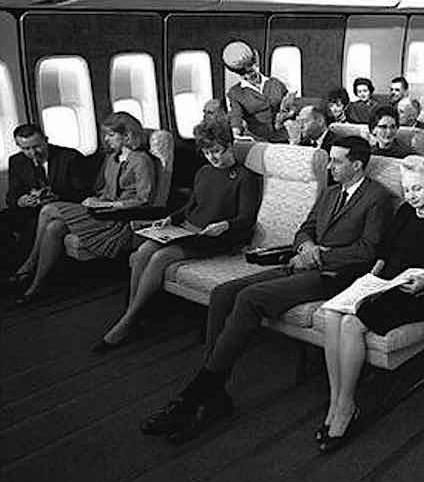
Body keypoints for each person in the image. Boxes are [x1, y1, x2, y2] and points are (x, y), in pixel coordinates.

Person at [139, 136, 393, 443]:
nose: (329, 166)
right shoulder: (329, 193)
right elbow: (305, 229)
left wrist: (319, 255)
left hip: (336, 275)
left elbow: (368, 250)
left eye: (337, 161)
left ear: (356, 165)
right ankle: (214, 394)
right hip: (304, 263)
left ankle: (195, 396)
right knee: (223, 293)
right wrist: (308, 245)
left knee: (249, 298)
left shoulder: (376, 197)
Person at [317, 156, 424, 452]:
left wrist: (423, 282)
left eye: (417, 189)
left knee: (351, 322)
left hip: (419, 292)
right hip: (385, 283)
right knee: (333, 314)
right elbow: (385, 253)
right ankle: (336, 401)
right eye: (406, 190)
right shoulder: (406, 213)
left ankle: (346, 405)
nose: (410, 196)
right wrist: (369, 279)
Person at [94, 119, 262, 350]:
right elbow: (192, 205)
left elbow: (246, 218)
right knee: (144, 250)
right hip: (188, 230)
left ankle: (128, 322)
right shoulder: (204, 171)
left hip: (216, 237)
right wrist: (171, 219)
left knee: (160, 257)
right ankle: (132, 313)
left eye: (217, 151)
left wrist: (224, 225)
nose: (212, 158)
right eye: (206, 152)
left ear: (230, 145)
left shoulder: (247, 177)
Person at [10, 112, 157, 304]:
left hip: (120, 218)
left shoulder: (141, 160)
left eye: (111, 135)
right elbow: (104, 190)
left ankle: (29, 265)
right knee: (54, 227)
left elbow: (145, 199)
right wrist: (95, 200)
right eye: (106, 135)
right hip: (103, 211)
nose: (106, 139)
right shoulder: (112, 159)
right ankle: (36, 287)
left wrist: (109, 204)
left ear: (127, 135)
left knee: (48, 210)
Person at [1, 123, 89, 268]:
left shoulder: (70, 157)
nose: (33, 153)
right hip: (30, 210)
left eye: (36, 146)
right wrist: (21, 201)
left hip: (61, 208)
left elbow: (83, 193)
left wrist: (56, 197)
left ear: (46, 140)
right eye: (26, 149)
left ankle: (30, 268)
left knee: (34, 227)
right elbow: (11, 196)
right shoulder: (17, 161)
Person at [222, 39, 289, 142]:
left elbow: (291, 107)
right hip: (259, 142)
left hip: (283, 138)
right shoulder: (235, 93)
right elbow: (236, 117)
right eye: (244, 73)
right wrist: (236, 132)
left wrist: (286, 115)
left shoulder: (275, 83)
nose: (250, 75)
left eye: (251, 68)